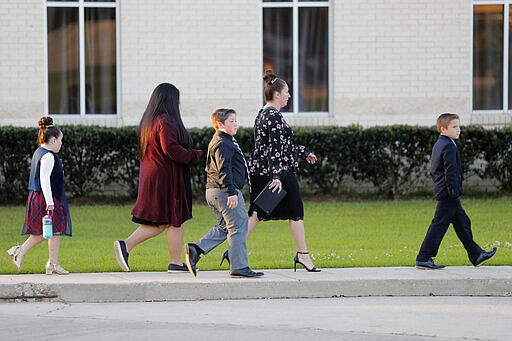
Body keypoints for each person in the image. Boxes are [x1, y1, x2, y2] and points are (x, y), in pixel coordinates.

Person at [114, 83, 202, 272]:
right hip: (167, 178)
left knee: (162, 222)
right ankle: (174, 262)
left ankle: (128, 246)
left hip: (155, 176)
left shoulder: (150, 120)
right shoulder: (166, 120)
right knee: (174, 218)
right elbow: (170, 149)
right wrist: (195, 155)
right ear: (170, 100)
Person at [246, 70, 320, 272]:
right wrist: (277, 177)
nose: (289, 95)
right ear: (277, 94)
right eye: (287, 92)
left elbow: (275, 147)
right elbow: (276, 150)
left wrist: (303, 152)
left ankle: (234, 249)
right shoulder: (274, 118)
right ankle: (303, 255)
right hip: (280, 173)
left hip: (266, 171)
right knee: (296, 212)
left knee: (258, 212)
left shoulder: (263, 114)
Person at [185, 109, 264, 278]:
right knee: (239, 226)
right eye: (231, 121)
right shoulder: (223, 143)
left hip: (214, 191)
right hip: (224, 192)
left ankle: (195, 249)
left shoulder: (223, 140)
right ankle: (239, 267)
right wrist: (231, 192)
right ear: (220, 124)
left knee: (224, 227)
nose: (236, 124)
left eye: (236, 120)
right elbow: (224, 169)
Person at [415, 113, 497, 269]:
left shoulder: (442, 143)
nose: (458, 129)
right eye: (454, 127)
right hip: (448, 193)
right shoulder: (447, 145)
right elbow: (450, 171)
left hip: (446, 191)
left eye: (459, 126)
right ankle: (424, 257)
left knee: (462, 222)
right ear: (443, 129)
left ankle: (476, 255)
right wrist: (454, 192)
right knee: (439, 224)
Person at [7, 116, 72, 275]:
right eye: (61, 140)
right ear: (54, 140)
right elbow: (44, 180)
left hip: (43, 196)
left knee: (55, 230)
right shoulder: (49, 156)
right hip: (46, 198)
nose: (62, 143)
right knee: (44, 231)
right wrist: (50, 202)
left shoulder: (39, 152)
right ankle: (20, 251)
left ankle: (53, 264)